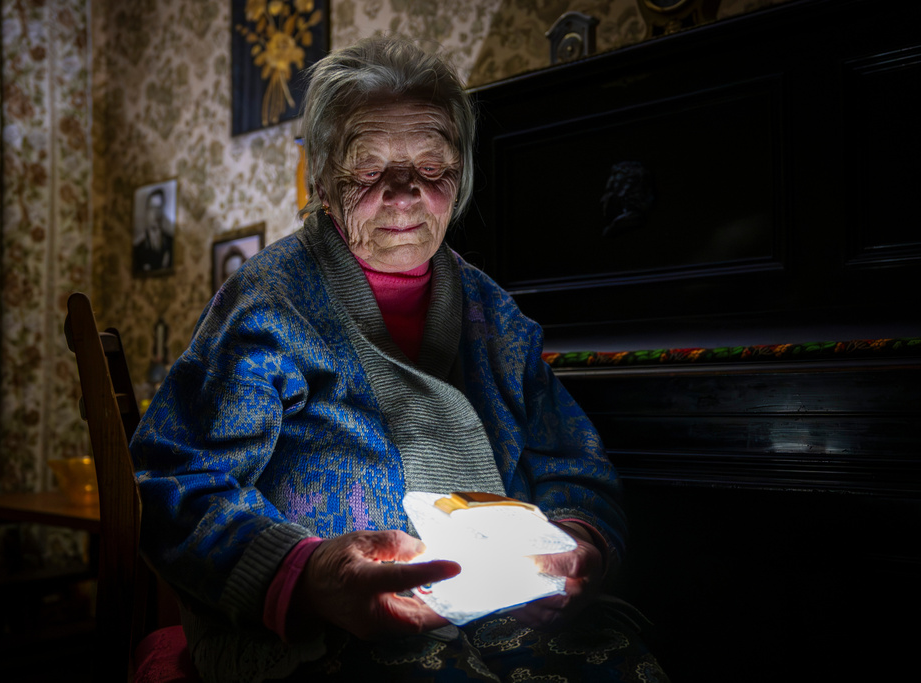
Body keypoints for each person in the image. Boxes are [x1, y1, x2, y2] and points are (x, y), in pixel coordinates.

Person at [131, 36, 668, 682]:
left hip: (498, 611)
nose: (406, 192)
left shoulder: (493, 315)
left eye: (432, 168)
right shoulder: (267, 304)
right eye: (368, 169)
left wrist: (577, 543)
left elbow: (571, 458)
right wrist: (304, 573)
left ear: (460, 178)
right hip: (317, 625)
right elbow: (173, 479)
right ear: (323, 182)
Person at [133, 188, 174, 273]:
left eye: (159, 208)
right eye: (152, 208)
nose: (156, 213)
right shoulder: (138, 249)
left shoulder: (171, 243)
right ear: (147, 211)